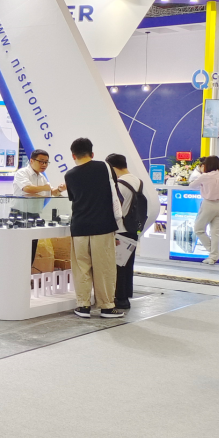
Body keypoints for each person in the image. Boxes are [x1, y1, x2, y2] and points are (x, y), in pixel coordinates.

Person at [64, 137, 123, 319]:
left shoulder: (69, 175)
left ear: (73, 155)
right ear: (92, 153)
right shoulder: (104, 167)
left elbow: (73, 198)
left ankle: (83, 306)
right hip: (103, 226)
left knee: (81, 267)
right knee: (104, 267)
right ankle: (107, 307)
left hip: (79, 227)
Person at [13, 149, 66, 264]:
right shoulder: (22, 173)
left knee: (32, 248)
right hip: (19, 214)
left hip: (34, 215)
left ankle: (28, 271)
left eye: (46, 162)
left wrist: (60, 189)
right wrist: (45, 188)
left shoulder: (42, 177)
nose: (44, 164)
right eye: (41, 161)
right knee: (19, 248)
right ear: (32, 161)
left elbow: (51, 192)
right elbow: (27, 188)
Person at [107, 153, 143, 308]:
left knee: (118, 266)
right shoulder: (137, 180)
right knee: (128, 265)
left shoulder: (119, 184)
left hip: (120, 229)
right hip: (132, 227)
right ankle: (126, 295)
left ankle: (120, 299)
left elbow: (115, 208)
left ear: (112, 167)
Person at [189, 155, 219, 264]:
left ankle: (213, 251)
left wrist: (202, 183)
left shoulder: (205, 176)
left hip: (208, 204)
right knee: (216, 232)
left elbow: (192, 185)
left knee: (198, 229)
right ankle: (213, 255)